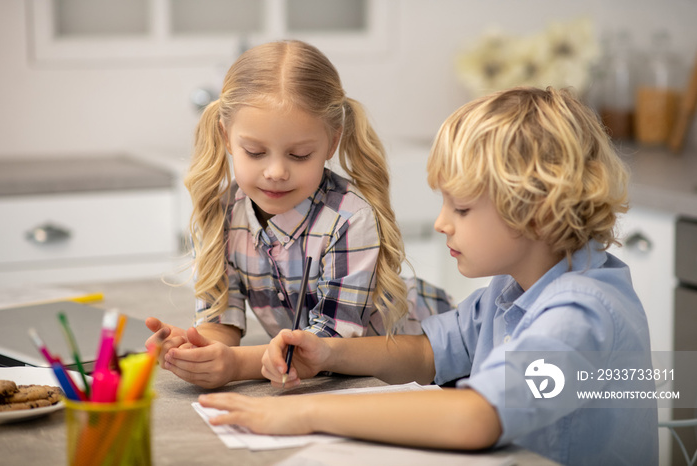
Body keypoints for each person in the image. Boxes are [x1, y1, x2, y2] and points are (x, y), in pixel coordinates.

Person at [197, 87, 659, 466]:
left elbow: (477, 416)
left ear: (536, 213)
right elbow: (427, 351)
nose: (442, 222)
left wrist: (304, 412)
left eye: (460, 207)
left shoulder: (579, 313)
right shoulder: (513, 289)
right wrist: (327, 351)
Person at [146, 40, 451, 389]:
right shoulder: (222, 214)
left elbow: (330, 347)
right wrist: (198, 351)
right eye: (255, 152)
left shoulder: (349, 219)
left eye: (300, 155)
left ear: (331, 143)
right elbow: (222, 325)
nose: (276, 171)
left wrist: (233, 365)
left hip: (433, 350)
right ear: (226, 138)